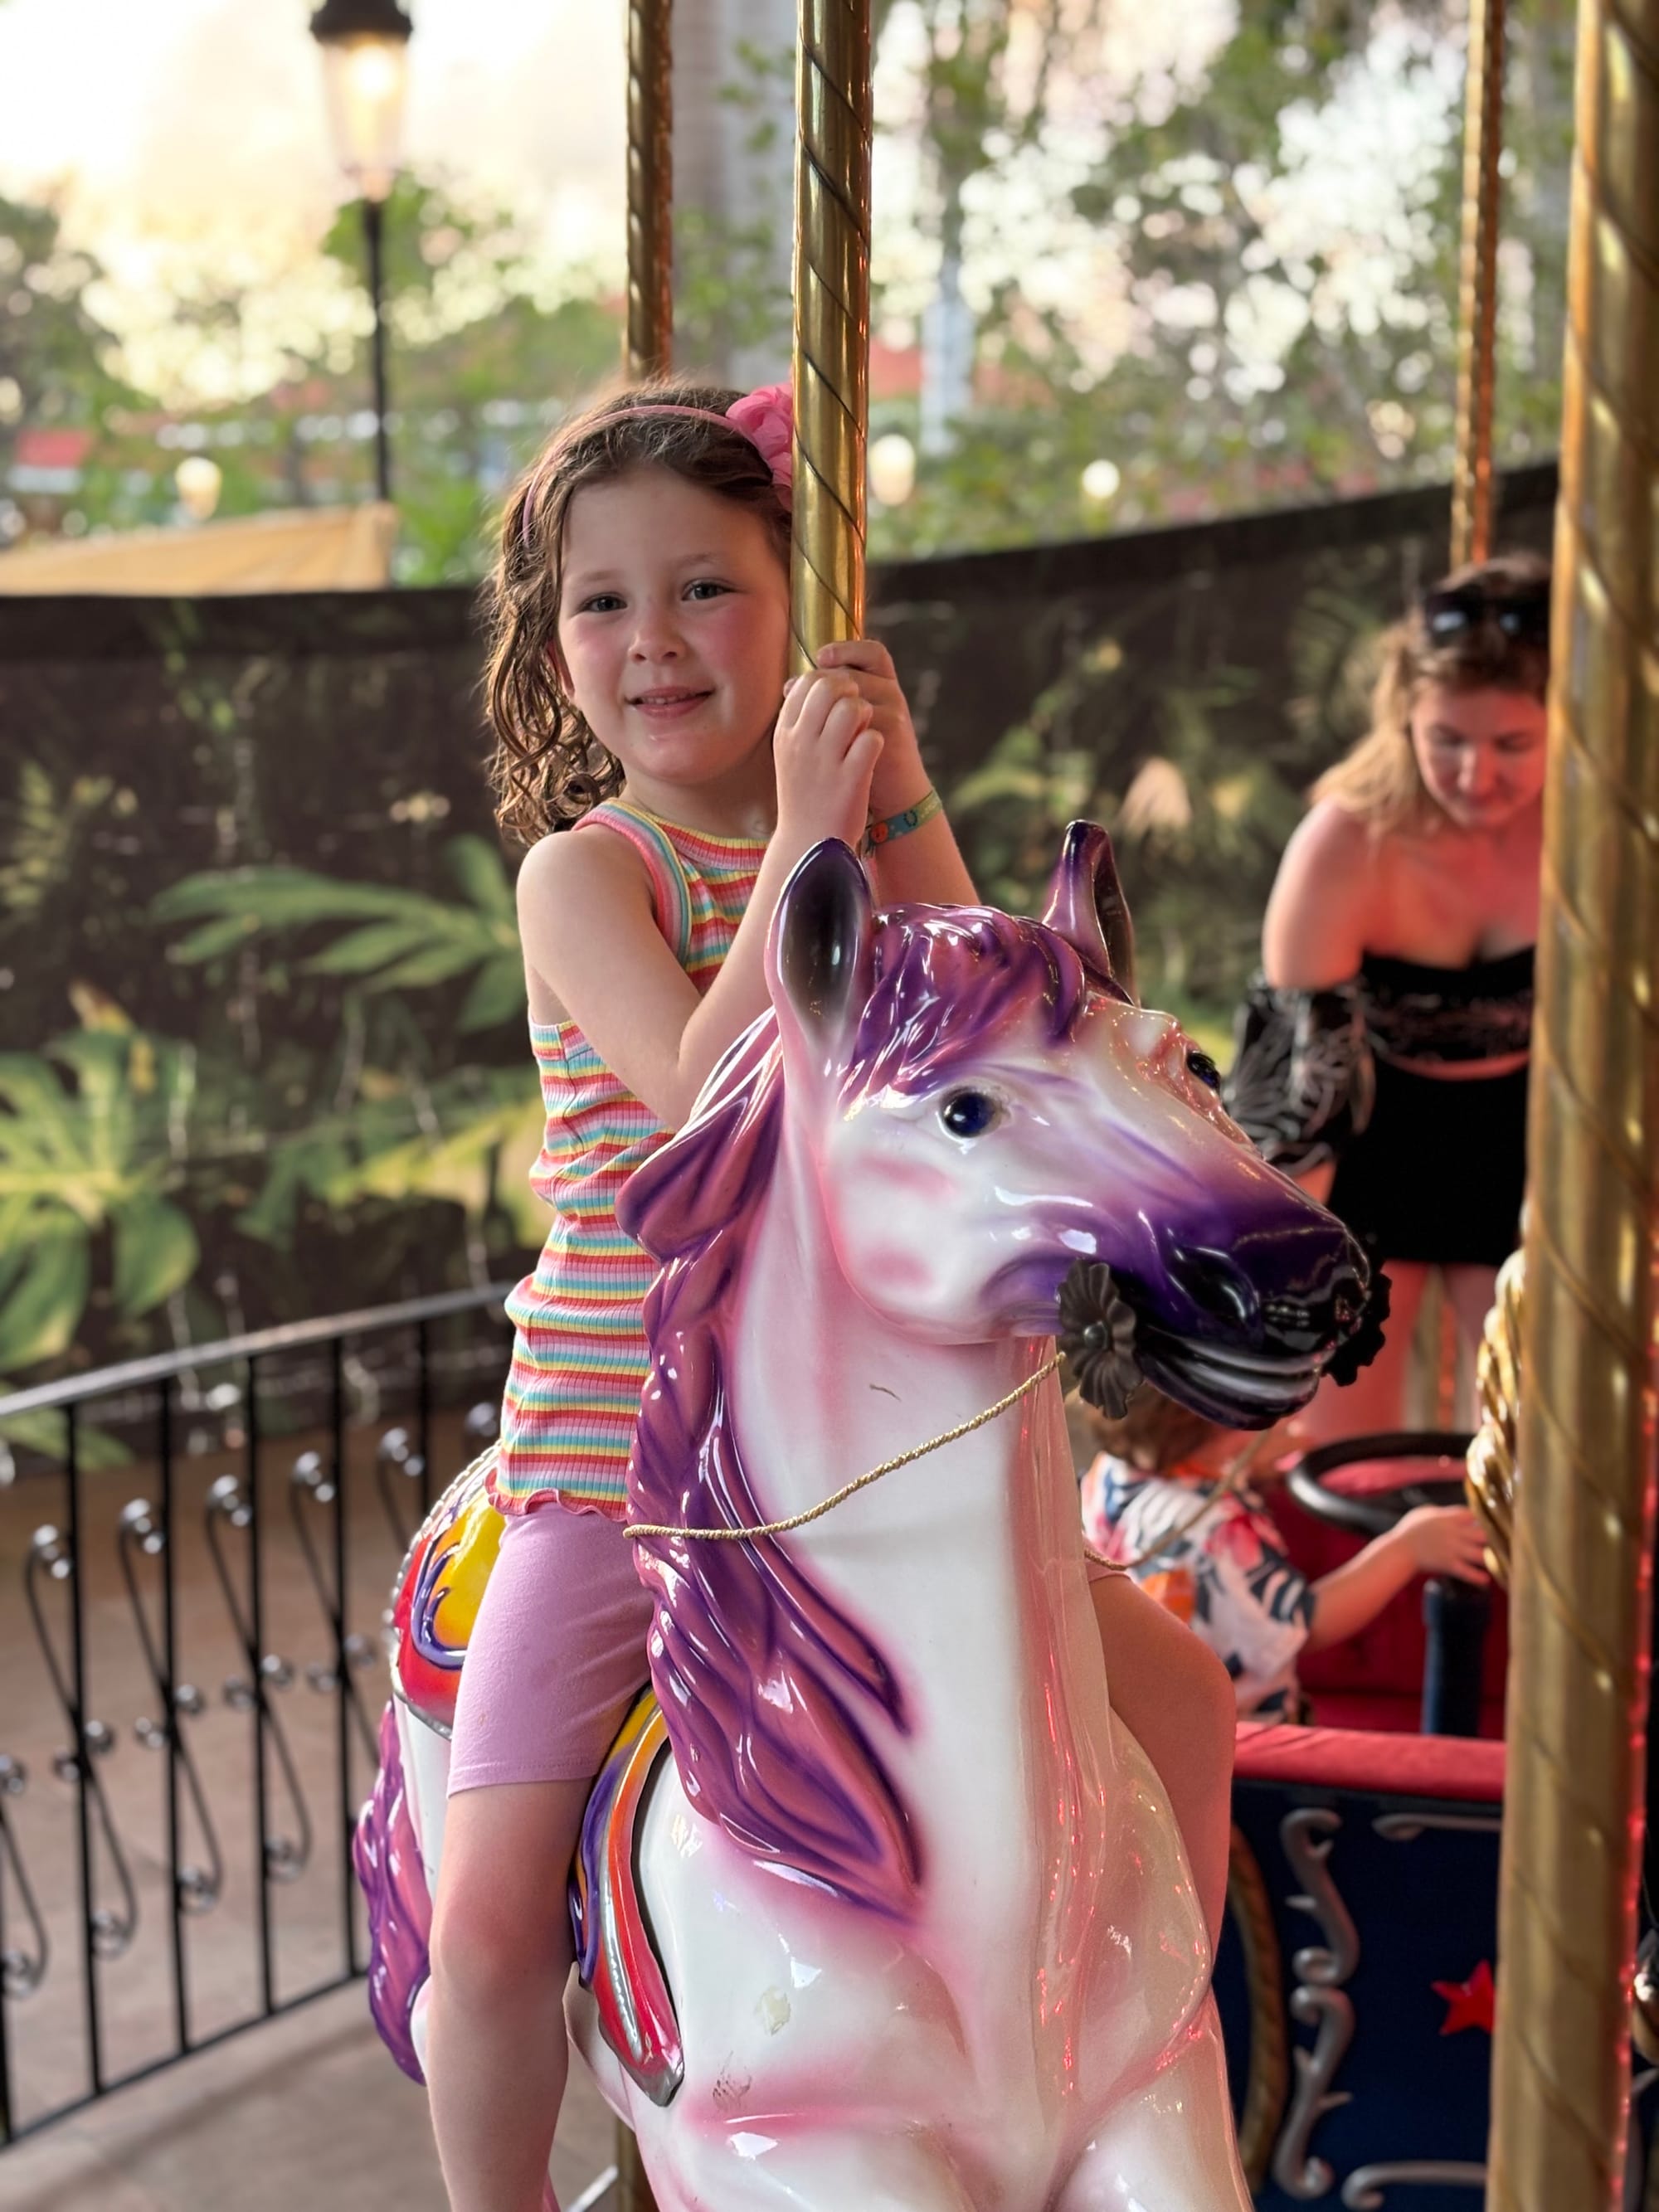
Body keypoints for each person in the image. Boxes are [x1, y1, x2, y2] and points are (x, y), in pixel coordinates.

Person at [423, 378, 1237, 2212]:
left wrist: (897, 788)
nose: (653, 641)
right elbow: (712, 1099)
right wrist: (807, 824)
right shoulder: (587, 875)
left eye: (704, 588)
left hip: (858, 1459)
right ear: (554, 653)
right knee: (486, 1909)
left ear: (794, 604)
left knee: (1175, 1691)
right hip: (626, 1460)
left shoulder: (853, 840)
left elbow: (1006, 988)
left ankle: (1123, 2035)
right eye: (601, 603)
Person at [1227, 552, 1549, 1438]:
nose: (1474, 773)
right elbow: (1301, 1091)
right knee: (1335, 1437)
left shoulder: (1596, 832)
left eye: (1511, 745)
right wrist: (1292, 1279)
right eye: (1444, 739)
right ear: (1402, 715)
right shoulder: (1344, 840)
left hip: (1527, 1140)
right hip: (1368, 1135)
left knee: (1539, 1431)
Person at [1079, 1390, 1491, 1720]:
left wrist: (1235, 1461)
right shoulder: (1215, 1531)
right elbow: (1303, 1624)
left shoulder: (1113, 1471)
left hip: (1148, 1712)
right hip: (1242, 1746)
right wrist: (1406, 1549)